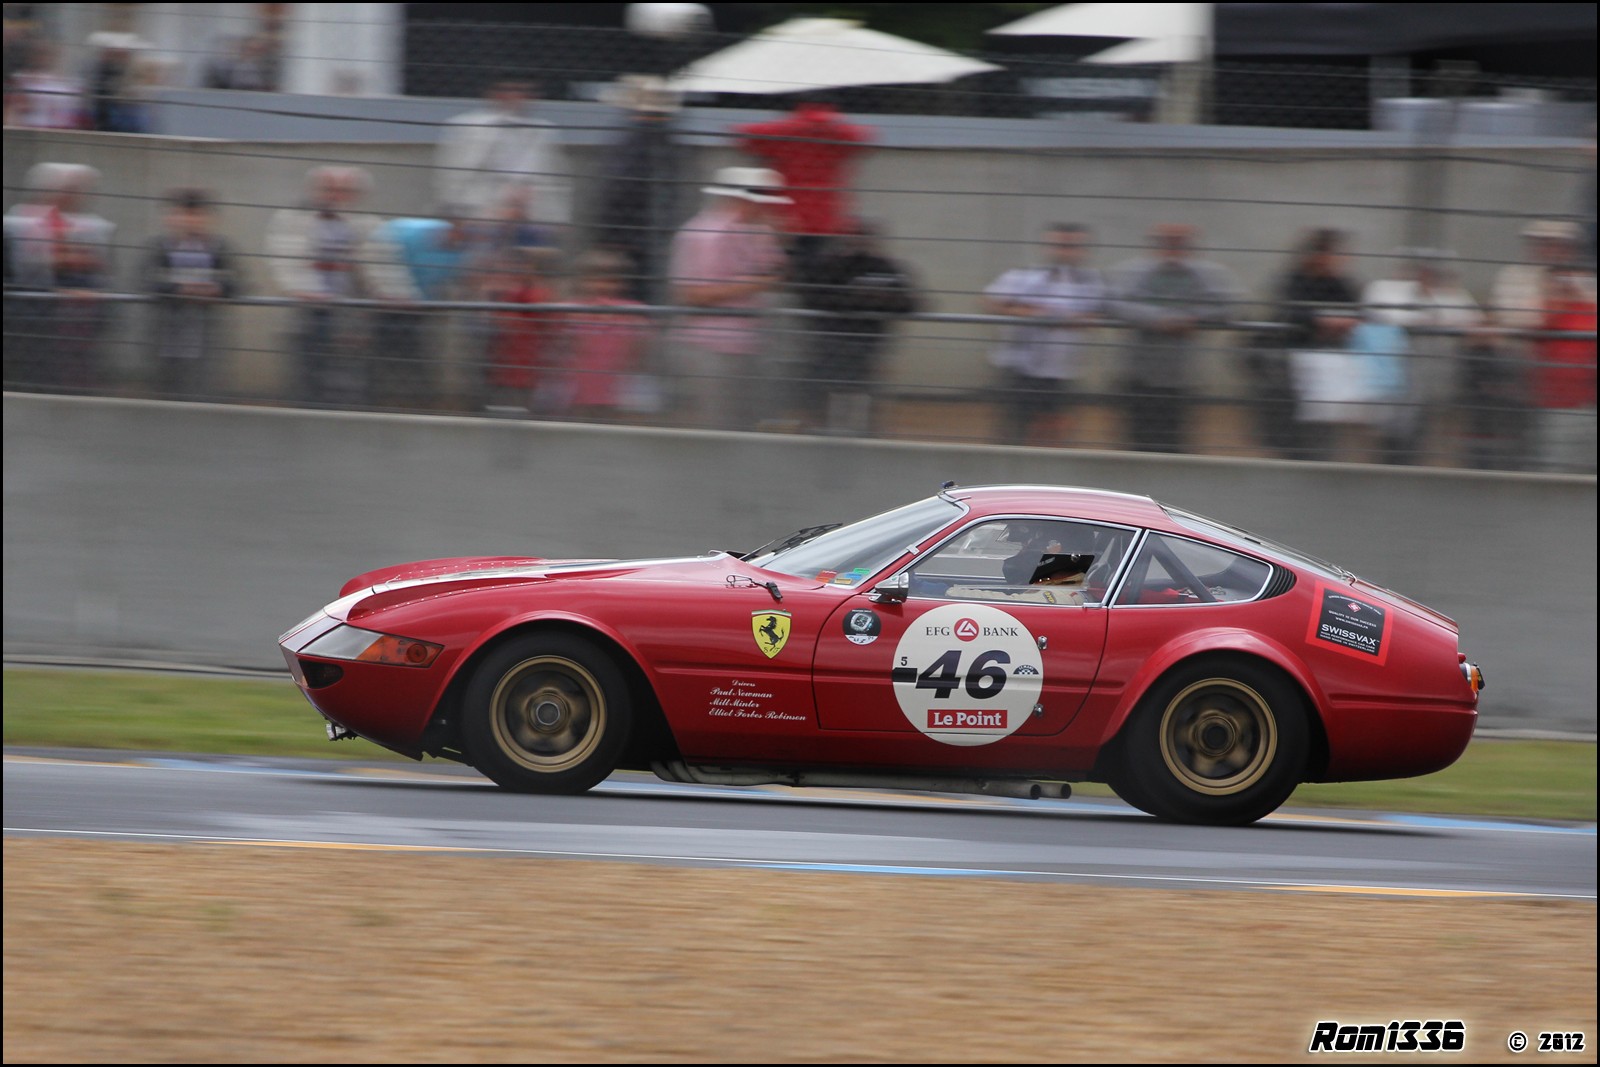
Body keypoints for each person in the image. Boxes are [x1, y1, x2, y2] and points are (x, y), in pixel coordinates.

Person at [265, 166, 417, 406]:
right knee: (308, 388)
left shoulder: (368, 226)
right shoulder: (292, 221)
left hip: (352, 320)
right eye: (328, 189)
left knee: (354, 388)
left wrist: (394, 295)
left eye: (344, 191)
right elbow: (288, 264)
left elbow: (383, 265)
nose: (335, 196)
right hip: (309, 319)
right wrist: (310, 293)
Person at [667, 166, 790, 429]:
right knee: (715, 426)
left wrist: (779, 243)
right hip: (710, 347)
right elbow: (692, 294)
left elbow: (777, 273)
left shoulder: (758, 232)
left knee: (745, 426)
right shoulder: (705, 235)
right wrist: (756, 284)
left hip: (749, 344)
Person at [1110, 224, 1239, 455]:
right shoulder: (1133, 272)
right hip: (1139, 372)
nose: (1173, 250)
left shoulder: (1207, 275)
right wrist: (1157, 319)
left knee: (1175, 440)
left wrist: (1191, 319)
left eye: (1179, 244)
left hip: (1183, 375)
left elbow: (1228, 306)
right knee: (1137, 439)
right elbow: (1115, 303)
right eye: (1167, 244)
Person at [981, 223, 1108, 446]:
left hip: (1062, 371)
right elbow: (991, 302)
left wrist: (1071, 321)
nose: (1064, 251)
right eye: (1058, 245)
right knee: (1015, 430)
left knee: (1055, 431)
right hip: (1019, 367)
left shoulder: (1092, 281)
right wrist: (1032, 313)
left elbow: (1098, 313)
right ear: (1047, 247)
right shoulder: (1023, 276)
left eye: (1071, 246)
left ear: (1083, 249)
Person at [795, 217, 919, 435]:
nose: (860, 243)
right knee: (823, 405)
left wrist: (865, 299)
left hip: (868, 349)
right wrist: (865, 299)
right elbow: (813, 297)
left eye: (865, 237)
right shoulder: (830, 265)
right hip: (830, 347)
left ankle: (865, 442)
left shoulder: (886, 268)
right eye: (855, 237)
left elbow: (911, 303)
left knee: (866, 406)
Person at [1487, 220, 1594, 471]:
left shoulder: (1584, 281)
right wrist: (1552, 302)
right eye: (1544, 243)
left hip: (1575, 388)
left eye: (1560, 244)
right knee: (1529, 452)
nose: (1552, 249)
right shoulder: (1515, 277)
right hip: (1520, 379)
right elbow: (1517, 321)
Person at [1362, 249, 1483, 464]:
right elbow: (1387, 317)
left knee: (1425, 430)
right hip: (1399, 369)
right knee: (1399, 427)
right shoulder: (1390, 290)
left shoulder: (1452, 296)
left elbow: (1474, 322)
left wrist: (1435, 319)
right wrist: (1430, 321)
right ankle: (1394, 451)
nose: (1427, 275)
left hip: (1438, 376)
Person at [3, 162, 115, 391]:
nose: (70, 196)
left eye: (74, 190)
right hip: (33, 318)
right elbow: (28, 266)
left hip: (74, 319)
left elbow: (97, 267)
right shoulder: (21, 220)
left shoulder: (89, 226)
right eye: (65, 189)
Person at [734, 95, 873, 263]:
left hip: (788, 208)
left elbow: (745, 136)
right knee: (819, 258)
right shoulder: (840, 131)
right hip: (826, 208)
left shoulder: (785, 130)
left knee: (783, 258)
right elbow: (865, 138)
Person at [1269, 228, 1363, 460]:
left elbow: (1357, 313)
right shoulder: (1294, 280)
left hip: (1331, 363)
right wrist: (1322, 320)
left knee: (1324, 423)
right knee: (1294, 423)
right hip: (1296, 359)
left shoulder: (1341, 284)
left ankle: (1318, 459)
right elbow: (1290, 312)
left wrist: (1338, 322)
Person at [593, 75, 688, 303]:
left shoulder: (633, 139)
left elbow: (617, 187)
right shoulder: (665, 140)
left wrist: (610, 235)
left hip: (627, 236)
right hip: (649, 235)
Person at [142, 189, 240, 400]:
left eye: (196, 215)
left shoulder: (219, 247)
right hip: (166, 329)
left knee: (200, 388)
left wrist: (217, 289)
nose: (190, 221)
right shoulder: (160, 246)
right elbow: (145, 281)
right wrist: (180, 290)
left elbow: (237, 282)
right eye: (183, 214)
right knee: (165, 387)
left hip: (205, 331)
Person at [374, 207, 476, 408]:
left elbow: (455, 280)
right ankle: (388, 397)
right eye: (456, 231)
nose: (458, 237)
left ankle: (415, 397)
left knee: (416, 353)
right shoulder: (409, 236)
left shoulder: (459, 251)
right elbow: (387, 266)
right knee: (391, 351)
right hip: (393, 301)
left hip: (419, 307)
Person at [435, 79, 571, 229]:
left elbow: (554, 178)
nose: (517, 97)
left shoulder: (544, 131)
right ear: (493, 94)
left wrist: (554, 217)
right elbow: (453, 178)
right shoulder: (467, 128)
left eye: (525, 92)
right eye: (509, 90)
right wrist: (455, 217)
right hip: (480, 215)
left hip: (529, 216)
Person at [559, 248, 653, 420]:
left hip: (619, 389)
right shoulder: (571, 309)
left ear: (621, 283)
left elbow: (641, 350)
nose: (601, 286)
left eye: (610, 281)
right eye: (594, 280)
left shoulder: (632, 311)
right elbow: (565, 345)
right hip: (579, 386)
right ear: (582, 281)